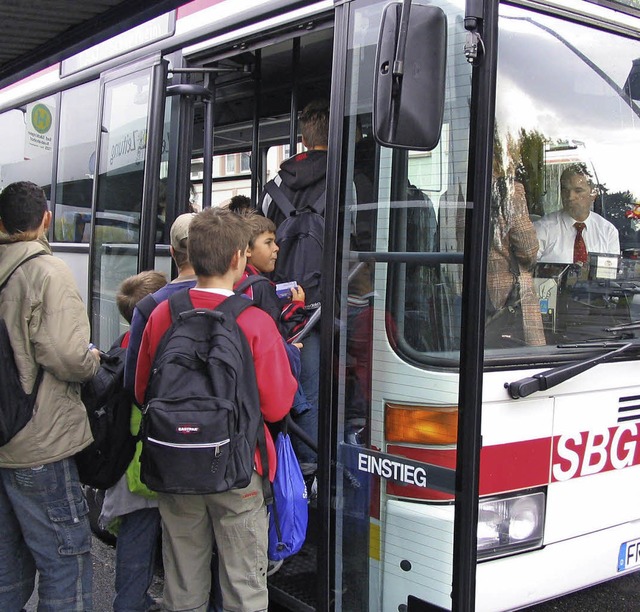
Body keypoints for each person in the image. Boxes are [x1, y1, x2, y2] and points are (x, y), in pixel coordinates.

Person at [135, 207, 297, 612]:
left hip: (174, 464)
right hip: (240, 469)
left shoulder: (162, 314)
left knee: (183, 585)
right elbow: (278, 405)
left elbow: (141, 390)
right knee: (244, 588)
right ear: (237, 260)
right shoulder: (256, 322)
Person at [0, 181, 101, 611]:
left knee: (6, 567)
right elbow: (66, 355)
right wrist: (93, 359)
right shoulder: (46, 270)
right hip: (36, 441)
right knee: (67, 564)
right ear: (45, 220)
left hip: (5, 439)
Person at [258, 98, 329, 481]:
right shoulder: (344, 180)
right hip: (319, 308)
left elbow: (257, 238)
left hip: (277, 306)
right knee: (312, 394)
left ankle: (275, 466)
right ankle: (307, 475)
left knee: (278, 383)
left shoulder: (273, 188)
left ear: (302, 140)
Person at [101, 270, 168, 612]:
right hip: (150, 461)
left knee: (137, 534)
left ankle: (132, 599)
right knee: (147, 534)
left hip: (129, 460)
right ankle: (131, 602)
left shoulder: (123, 345)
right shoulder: (158, 349)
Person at [124, 213, 198, 390]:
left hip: (163, 411)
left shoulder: (147, 307)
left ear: (172, 251)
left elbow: (133, 381)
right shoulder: (231, 300)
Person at [486, 172, 545, 346]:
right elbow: (527, 249)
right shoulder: (510, 191)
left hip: (465, 291)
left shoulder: (452, 193)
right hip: (507, 295)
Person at [534, 163, 620, 263]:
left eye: (578, 191)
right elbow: (526, 271)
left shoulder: (607, 231)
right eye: (565, 190)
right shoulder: (543, 228)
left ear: (593, 193)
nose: (570, 197)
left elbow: (611, 273)